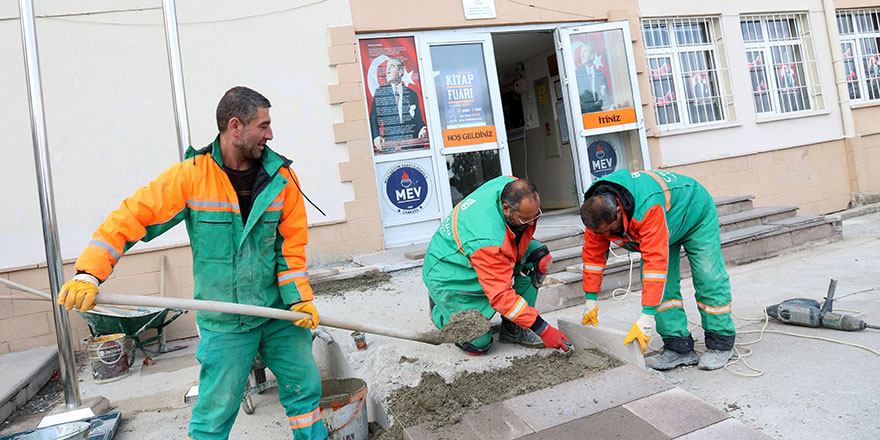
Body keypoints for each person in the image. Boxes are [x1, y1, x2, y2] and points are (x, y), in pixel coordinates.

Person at [57, 87, 329, 439]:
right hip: (226, 323)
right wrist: (88, 273)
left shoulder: (282, 179)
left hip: (279, 316)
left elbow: (291, 246)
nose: (270, 134)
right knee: (213, 417)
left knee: (305, 395)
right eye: (263, 126)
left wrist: (299, 298)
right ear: (235, 127)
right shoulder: (191, 177)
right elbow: (131, 217)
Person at [578, 169, 736, 371]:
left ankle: (720, 343)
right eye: (602, 233)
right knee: (665, 288)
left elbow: (655, 266)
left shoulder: (647, 207)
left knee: (708, 276)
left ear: (618, 210)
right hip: (666, 221)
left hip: (695, 214)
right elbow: (593, 257)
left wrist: (646, 318)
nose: (608, 236)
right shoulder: (597, 216)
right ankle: (679, 348)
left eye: (610, 230)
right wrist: (590, 300)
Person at [422, 176, 571, 355]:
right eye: (525, 219)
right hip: (448, 273)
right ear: (506, 209)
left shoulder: (509, 186)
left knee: (539, 258)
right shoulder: (488, 241)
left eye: (536, 215)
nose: (532, 223)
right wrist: (543, 330)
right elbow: (500, 296)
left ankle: (514, 329)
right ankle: (440, 310)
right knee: (478, 345)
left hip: (475, 254)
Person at [369, 57, 428, 152]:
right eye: (386, 67)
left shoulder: (412, 94)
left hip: (411, 146)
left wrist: (422, 128)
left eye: (391, 67)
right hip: (390, 146)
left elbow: (418, 120)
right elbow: (374, 118)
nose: (387, 71)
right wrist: (376, 136)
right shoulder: (380, 93)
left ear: (400, 72)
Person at [575, 43, 611, 113]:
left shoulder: (601, 75)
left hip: (601, 111)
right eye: (581, 52)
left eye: (585, 51)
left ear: (592, 56)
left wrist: (610, 106)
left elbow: (607, 96)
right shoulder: (577, 74)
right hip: (585, 112)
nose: (582, 55)